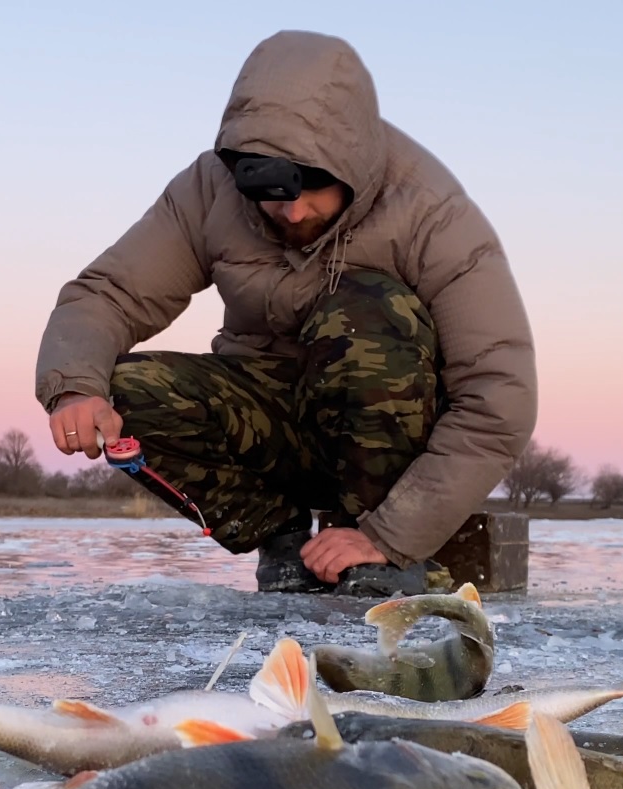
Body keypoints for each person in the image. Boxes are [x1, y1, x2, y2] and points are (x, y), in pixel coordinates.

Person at [35, 29, 536, 596]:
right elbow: (107, 295)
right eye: (270, 188)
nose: (293, 211)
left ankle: (373, 554)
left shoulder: (430, 211)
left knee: (366, 314)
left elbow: (499, 398)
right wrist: (75, 388)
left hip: (388, 441)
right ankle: (284, 539)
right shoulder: (210, 189)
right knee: (123, 390)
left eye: (314, 188)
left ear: (354, 165)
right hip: (273, 418)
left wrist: (392, 533)